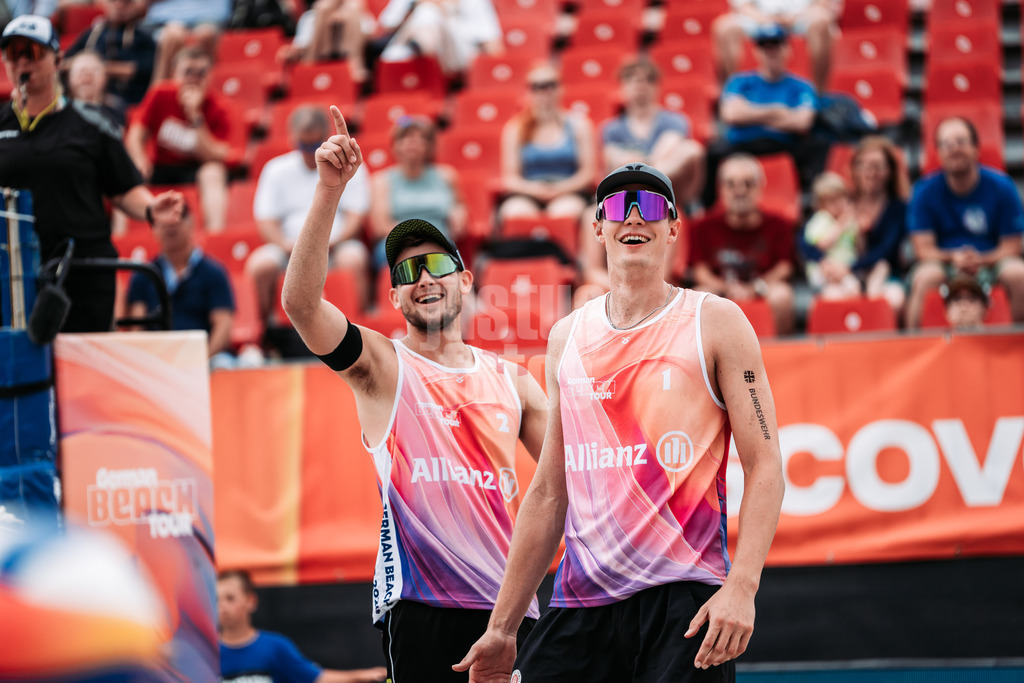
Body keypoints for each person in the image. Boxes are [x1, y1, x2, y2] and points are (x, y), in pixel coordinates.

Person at [455, 161, 785, 682]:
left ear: (674, 227)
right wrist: (502, 628)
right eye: (618, 206)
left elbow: (766, 463)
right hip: (582, 600)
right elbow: (547, 493)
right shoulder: (567, 335)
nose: (634, 216)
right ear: (599, 227)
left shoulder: (717, 321)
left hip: (683, 599)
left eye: (651, 206)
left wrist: (742, 585)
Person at [281, 106, 548, 682]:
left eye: (434, 265)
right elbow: (301, 306)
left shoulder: (515, 379)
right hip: (422, 604)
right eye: (405, 273)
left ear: (465, 279)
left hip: (509, 613)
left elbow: (568, 481)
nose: (421, 278)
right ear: (396, 298)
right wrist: (330, 191)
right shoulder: (381, 364)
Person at [0, 14, 183, 333]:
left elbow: (124, 188)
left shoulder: (91, 123)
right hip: (11, 273)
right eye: (14, 53)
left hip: (81, 273)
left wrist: (151, 209)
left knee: (79, 377)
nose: (23, 61)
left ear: (57, 60)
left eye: (33, 52)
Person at [575, 56, 706, 306]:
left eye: (646, 81)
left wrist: (646, 164)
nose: (640, 87)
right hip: (624, 202)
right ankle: (644, 174)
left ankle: (648, 177)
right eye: (633, 81)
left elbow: (688, 157)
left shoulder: (674, 121)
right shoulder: (611, 129)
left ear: (656, 86)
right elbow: (591, 270)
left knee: (689, 149)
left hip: (668, 194)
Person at [247, 105, 371, 328]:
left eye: (313, 145)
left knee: (352, 260)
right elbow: (266, 220)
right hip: (289, 247)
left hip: (337, 244)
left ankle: (358, 325)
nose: (307, 152)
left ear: (325, 138)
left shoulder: (350, 166)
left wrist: (331, 242)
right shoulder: (276, 169)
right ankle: (266, 332)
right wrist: (285, 245)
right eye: (303, 145)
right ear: (293, 138)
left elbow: (356, 216)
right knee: (260, 265)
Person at [906, 116, 1024, 328]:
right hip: (945, 263)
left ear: (976, 148)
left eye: (961, 142)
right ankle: (915, 348)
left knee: (1019, 274)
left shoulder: (1003, 187)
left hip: (992, 260)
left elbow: (1012, 246)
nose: (954, 149)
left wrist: (981, 259)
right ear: (939, 153)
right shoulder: (924, 191)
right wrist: (954, 258)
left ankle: (1015, 347)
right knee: (926, 276)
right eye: (946, 144)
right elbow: (923, 249)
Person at [702, 23, 825, 210]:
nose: (771, 51)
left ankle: (810, 205)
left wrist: (751, 113)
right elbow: (731, 114)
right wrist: (777, 111)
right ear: (757, 52)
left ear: (787, 50)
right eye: (765, 46)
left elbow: (802, 121)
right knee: (712, 150)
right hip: (742, 144)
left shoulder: (802, 86)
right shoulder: (740, 81)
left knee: (818, 145)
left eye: (776, 45)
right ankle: (708, 206)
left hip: (785, 145)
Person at [125, 46, 235, 231]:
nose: (193, 79)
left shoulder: (219, 107)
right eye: (187, 72)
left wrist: (195, 117)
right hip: (160, 168)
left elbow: (216, 155)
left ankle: (216, 236)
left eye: (200, 73)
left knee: (213, 172)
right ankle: (123, 241)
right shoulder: (160, 95)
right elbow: (135, 134)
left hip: (195, 169)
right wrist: (139, 160)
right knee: (127, 175)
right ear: (175, 73)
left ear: (209, 76)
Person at [690, 154, 796, 335]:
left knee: (782, 295)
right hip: (721, 289)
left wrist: (755, 288)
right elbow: (700, 272)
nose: (739, 191)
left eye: (747, 184)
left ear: (760, 188)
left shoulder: (779, 224)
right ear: (720, 189)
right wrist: (727, 288)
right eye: (731, 184)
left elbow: (785, 267)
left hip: (763, 287)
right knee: (698, 297)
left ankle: (782, 355)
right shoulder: (703, 226)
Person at [218, 569, 388, 683]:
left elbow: (316, 677)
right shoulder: (204, 650)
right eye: (217, 599)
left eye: (230, 598)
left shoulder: (274, 647)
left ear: (251, 601)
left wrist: (363, 676)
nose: (223, 606)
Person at [801, 135, 908, 315]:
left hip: (881, 276)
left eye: (877, 166)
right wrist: (825, 262)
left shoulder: (898, 208)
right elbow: (806, 241)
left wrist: (850, 268)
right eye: (862, 165)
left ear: (889, 170)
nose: (869, 171)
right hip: (839, 274)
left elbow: (886, 250)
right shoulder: (842, 201)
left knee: (891, 301)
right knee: (834, 301)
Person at [125, 202, 237, 369]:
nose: (171, 225)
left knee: (225, 365)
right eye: (163, 220)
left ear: (191, 222)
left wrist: (200, 362)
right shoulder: (143, 275)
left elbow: (223, 326)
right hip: (156, 361)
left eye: (178, 218)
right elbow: (137, 329)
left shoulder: (215, 273)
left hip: (206, 359)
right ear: (153, 229)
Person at [496, 62, 595, 226]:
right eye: (537, 86)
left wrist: (560, 189)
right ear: (528, 91)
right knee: (515, 212)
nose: (544, 91)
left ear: (561, 88)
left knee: (562, 212)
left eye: (550, 85)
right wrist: (535, 190)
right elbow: (510, 178)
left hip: (569, 190)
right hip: (529, 191)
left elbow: (587, 173)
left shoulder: (579, 125)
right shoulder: (515, 128)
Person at [368, 114, 466, 272]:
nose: (413, 143)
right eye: (406, 138)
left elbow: (459, 206)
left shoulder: (446, 176)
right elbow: (380, 226)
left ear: (429, 146)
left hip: (440, 241)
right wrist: (419, 240)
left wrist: (459, 214)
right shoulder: (381, 181)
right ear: (395, 145)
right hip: (398, 242)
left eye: (421, 139)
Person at [712, 0, 841, 92]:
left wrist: (792, 18)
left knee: (822, 21)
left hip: (801, 17)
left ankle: (819, 96)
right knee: (725, 28)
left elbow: (822, 4)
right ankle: (734, 95)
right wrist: (765, 19)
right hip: (759, 18)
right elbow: (744, 6)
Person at [63, 0, 157, 110]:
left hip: (123, 100)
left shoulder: (142, 36)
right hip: (84, 96)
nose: (119, 5)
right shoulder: (92, 33)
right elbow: (64, 63)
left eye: (126, 2)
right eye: (113, 1)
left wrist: (102, 69)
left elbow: (144, 69)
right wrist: (86, 69)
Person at [375, 0, 503, 76]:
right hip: (413, 44)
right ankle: (419, 47)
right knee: (424, 12)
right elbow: (387, 25)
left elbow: (490, 39)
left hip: (459, 54)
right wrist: (414, 6)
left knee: (428, 12)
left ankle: (421, 45)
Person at [801, 172, 862, 300]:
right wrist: (840, 225)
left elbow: (859, 247)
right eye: (832, 201)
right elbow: (821, 245)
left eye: (841, 198)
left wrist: (859, 228)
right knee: (833, 295)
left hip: (845, 269)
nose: (838, 204)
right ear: (821, 204)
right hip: (824, 270)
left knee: (855, 290)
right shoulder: (821, 219)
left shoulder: (850, 221)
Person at [143, 0, 231, 84]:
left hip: (211, 15)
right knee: (173, 36)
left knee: (206, 34)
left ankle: (203, 92)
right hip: (166, 17)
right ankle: (159, 92)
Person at [65, 50, 124, 127]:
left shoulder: (118, 111)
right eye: (80, 72)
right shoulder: (59, 112)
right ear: (70, 78)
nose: (86, 77)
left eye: (93, 71)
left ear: (105, 78)